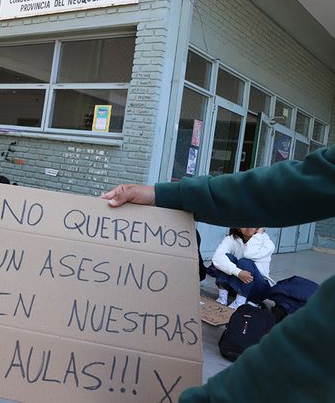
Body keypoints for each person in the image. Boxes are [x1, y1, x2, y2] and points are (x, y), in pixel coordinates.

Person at [101, 145, 335, 402]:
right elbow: (285, 186)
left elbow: (307, 357)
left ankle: (241, 300)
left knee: (244, 267)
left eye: (254, 224)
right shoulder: (232, 238)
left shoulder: (264, 241)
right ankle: (231, 297)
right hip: (239, 278)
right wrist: (164, 195)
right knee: (227, 266)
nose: (249, 226)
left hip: (258, 284)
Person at [212, 227, 274, 309]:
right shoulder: (231, 239)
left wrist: (258, 235)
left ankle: (239, 303)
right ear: (238, 228)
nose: (249, 227)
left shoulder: (267, 243)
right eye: (245, 224)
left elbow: (249, 254)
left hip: (258, 289)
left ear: (258, 227)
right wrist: (238, 272)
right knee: (226, 258)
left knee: (245, 262)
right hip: (236, 287)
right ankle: (222, 298)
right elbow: (217, 258)